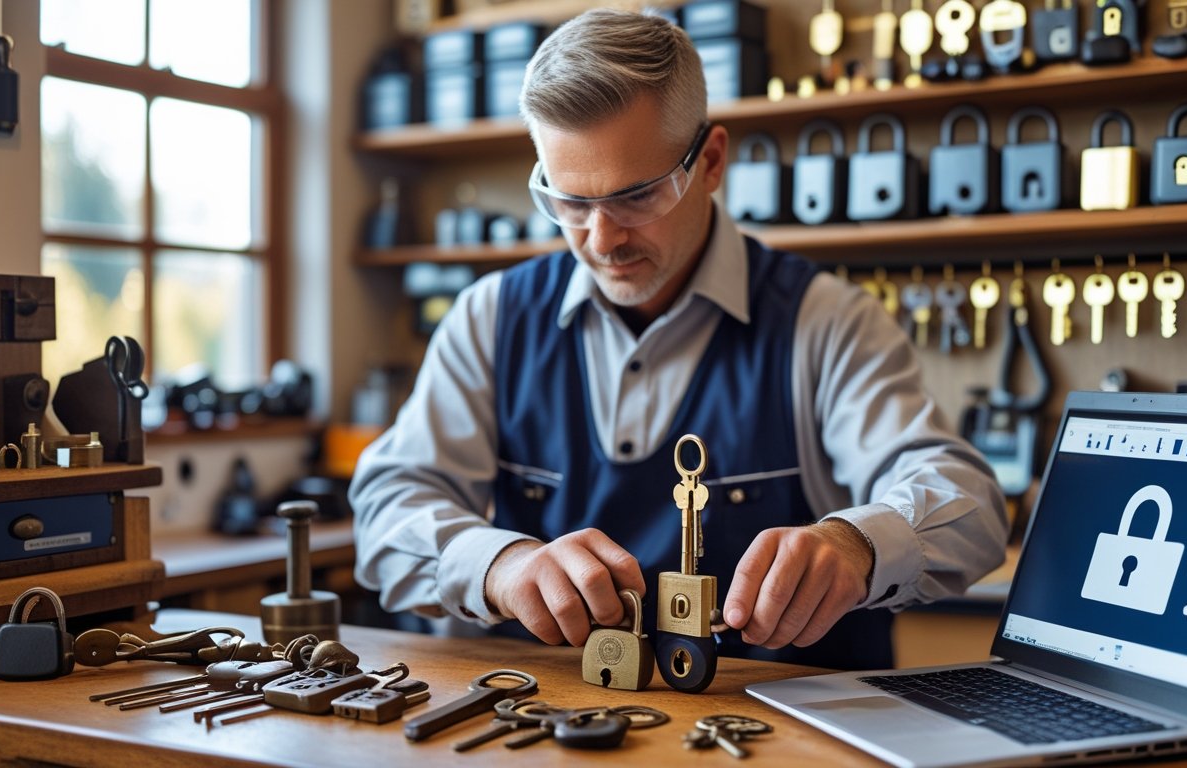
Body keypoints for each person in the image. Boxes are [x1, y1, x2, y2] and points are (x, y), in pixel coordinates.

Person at [350, 8, 1008, 670]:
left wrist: (856, 547)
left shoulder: (826, 321)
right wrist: (500, 566)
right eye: (570, 203)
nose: (602, 241)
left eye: (636, 197)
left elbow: (969, 504)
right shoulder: (491, 316)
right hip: (552, 726)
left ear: (712, 161)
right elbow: (387, 510)